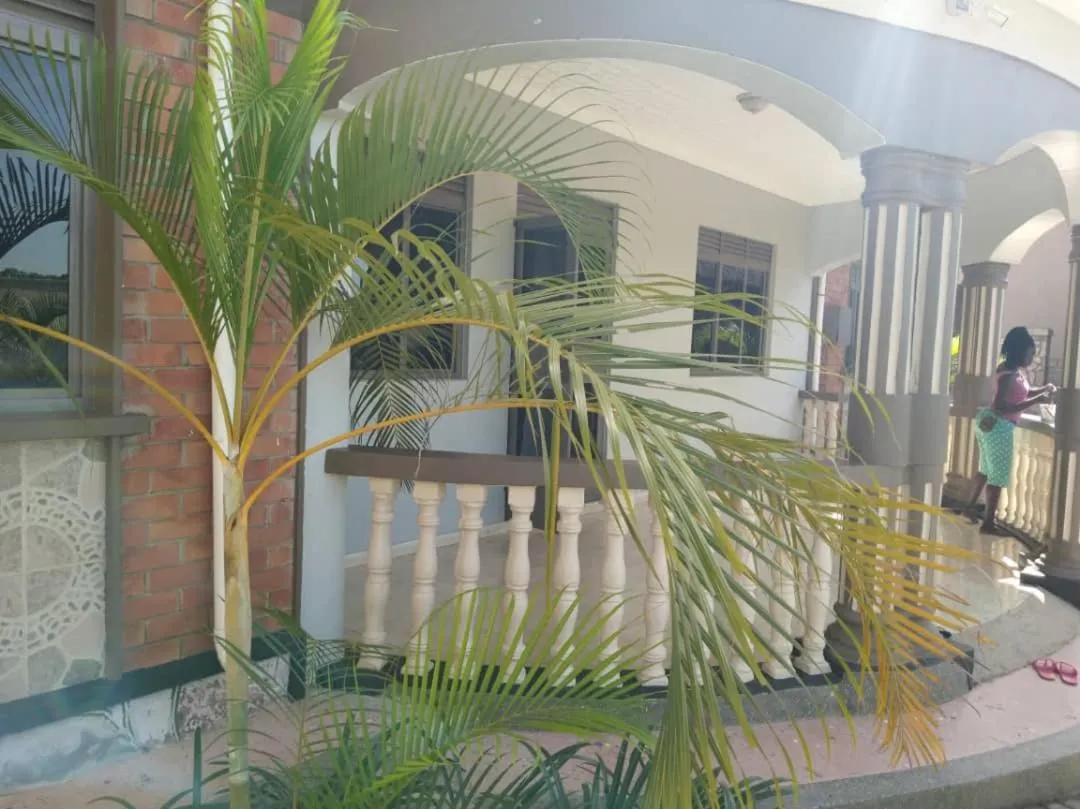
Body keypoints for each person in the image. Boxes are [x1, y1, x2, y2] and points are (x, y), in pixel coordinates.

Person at [965, 326, 1056, 536]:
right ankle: (988, 523)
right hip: (999, 426)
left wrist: (1042, 389)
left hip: (988, 423)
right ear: (1020, 351)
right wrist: (1037, 400)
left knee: (985, 470)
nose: (1033, 357)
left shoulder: (1012, 371)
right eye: (1031, 353)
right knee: (997, 476)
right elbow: (1002, 406)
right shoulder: (1008, 376)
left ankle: (968, 508)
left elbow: (1023, 391)